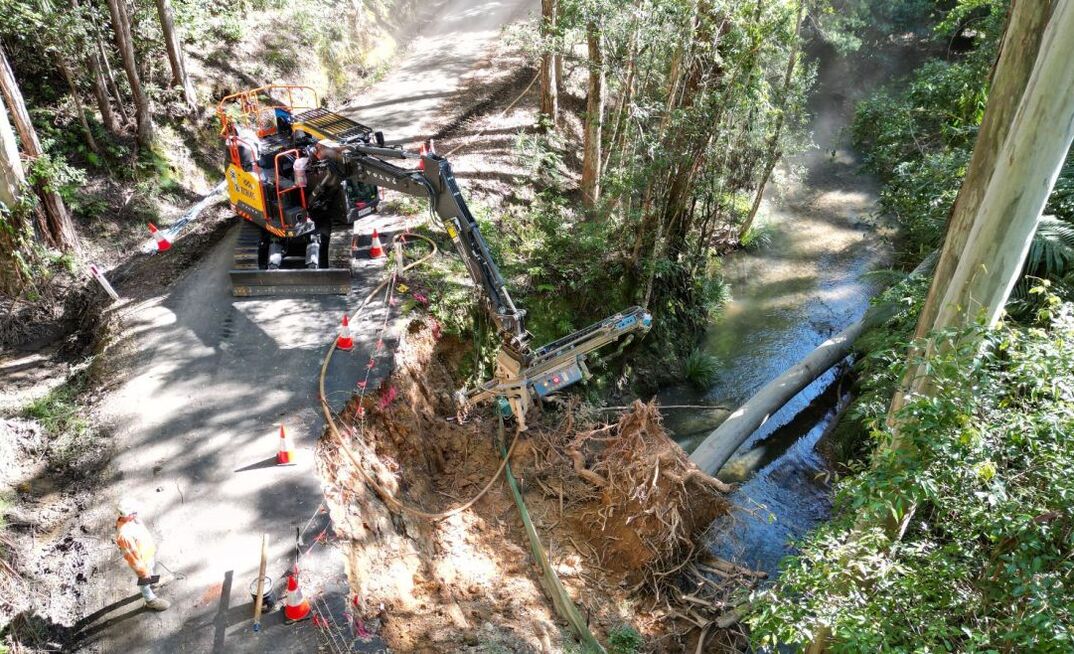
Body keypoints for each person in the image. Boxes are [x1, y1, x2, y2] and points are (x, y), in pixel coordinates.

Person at [115, 500, 170, 611]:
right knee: (144, 580)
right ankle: (150, 600)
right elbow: (132, 558)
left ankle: (152, 583)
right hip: (141, 562)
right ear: (127, 515)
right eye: (134, 512)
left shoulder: (133, 520)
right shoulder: (124, 535)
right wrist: (143, 573)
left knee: (150, 570)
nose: (137, 514)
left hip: (147, 555)